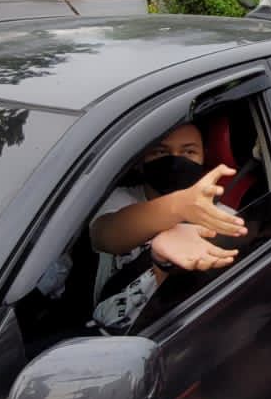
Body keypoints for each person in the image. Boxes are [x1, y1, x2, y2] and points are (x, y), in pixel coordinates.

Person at [90, 121, 246, 332]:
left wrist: (163, 262)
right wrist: (180, 207)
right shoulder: (121, 199)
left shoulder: (223, 219)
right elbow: (105, 236)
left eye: (189, 151)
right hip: (104, 328)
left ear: (203, 158)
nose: (174, 160)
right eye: (160, 151)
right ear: (140, 160)